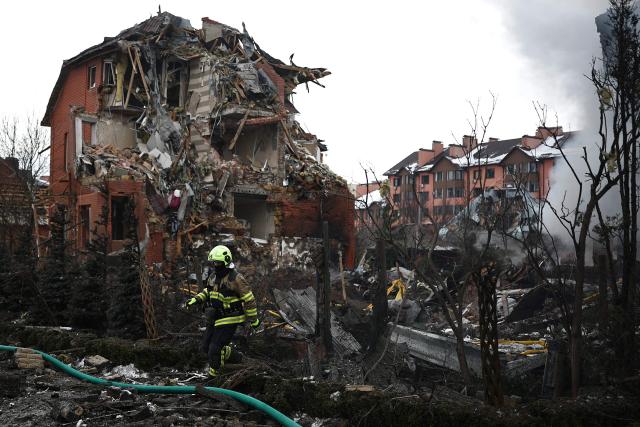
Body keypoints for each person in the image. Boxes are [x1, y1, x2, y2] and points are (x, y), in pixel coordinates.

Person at [186, 245, 260, 377]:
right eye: (214, 263)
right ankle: (235, 356)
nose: (216, 265)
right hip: (216, 317)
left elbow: (249, 300)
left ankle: (215, 376)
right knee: (206, 347)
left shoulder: (236, 279)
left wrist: (254, 321)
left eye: (218, 263)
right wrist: (196, 300)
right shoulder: (214, 277)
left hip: (231, 317)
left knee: (214, 349)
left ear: (226, 262)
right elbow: (208, 291)